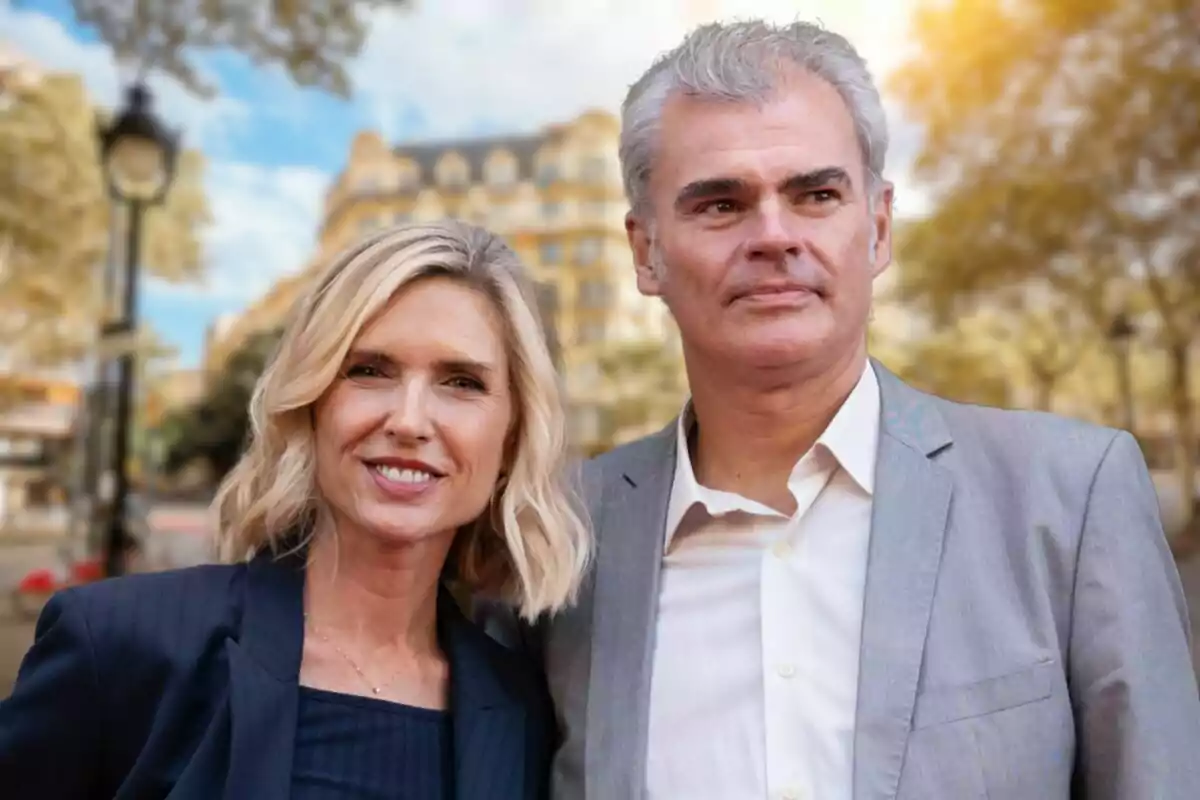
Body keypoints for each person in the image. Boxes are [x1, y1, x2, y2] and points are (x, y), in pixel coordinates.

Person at [485, 19, 1200, 800]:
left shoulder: (1068, 497)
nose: (773, 235)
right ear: (646, 252)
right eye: (721, 205)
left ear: (879, 226)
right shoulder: (561, 536)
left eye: (816, 194)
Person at [0, 221, 591, 799]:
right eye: (368, 370)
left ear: (513, 437)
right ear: (312, 407)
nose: (409, 421)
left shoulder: (522, 710)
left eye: (461, 382)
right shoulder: (121, 645)